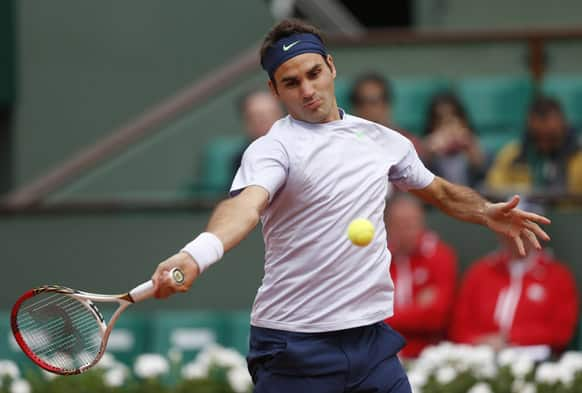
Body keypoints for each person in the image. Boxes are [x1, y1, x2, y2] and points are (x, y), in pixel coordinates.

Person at [151, 19, 551, 393]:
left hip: (370, 342)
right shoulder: (273, 149)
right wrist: (197, 254)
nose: (307, 90)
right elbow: (244, 207)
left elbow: (442, 192)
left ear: (331, 67)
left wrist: (485, 211)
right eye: (291, 83)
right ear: (275, 90)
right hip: (294, 346)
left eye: (314, 74)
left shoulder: (382, 141)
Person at [449, 232, 578, 354]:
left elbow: (561, 332)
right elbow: (459, 328)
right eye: (509, 229)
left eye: (523, 231)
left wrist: (511, 338)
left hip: (535, 361)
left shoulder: (558, 276)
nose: (516, 237)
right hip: (479, 357)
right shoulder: (480, 272)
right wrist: (481, 341)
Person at [384, 193, 457, 359]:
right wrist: (415, 308)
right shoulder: (377, 259)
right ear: (387, 226)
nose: (407, 231)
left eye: (412, 223)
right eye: (400, 225)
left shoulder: (440, 256)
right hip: (380, 355)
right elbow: (364, 314)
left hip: (426, 356)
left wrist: (383, 315)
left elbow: (435, 317)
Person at [486, 96, 582, 195]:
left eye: (551, 137)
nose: (544, 144)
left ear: (564, 126)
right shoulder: (511, 155)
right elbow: (494, 188)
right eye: (537, 137)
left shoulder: (579, 156)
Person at [350, 72, 427, 158]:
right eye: (359, 102)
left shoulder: (406, 143)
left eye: (372, 102)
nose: (366, 108)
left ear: (386, 105)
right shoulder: (346, 142)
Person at [423, 91, 487, 186]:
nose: (447, 123)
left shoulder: (471, 144)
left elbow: (485, 174)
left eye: (453, 117)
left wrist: (470, 147)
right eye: (440, 118)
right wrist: (429, 154)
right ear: (432, 123)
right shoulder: (427, 147)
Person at [231, 89, 284, 177]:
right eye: (258, 117)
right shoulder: (241, 159)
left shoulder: (302, 149)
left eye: (271, 114)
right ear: (247, 123)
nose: (265, 122)